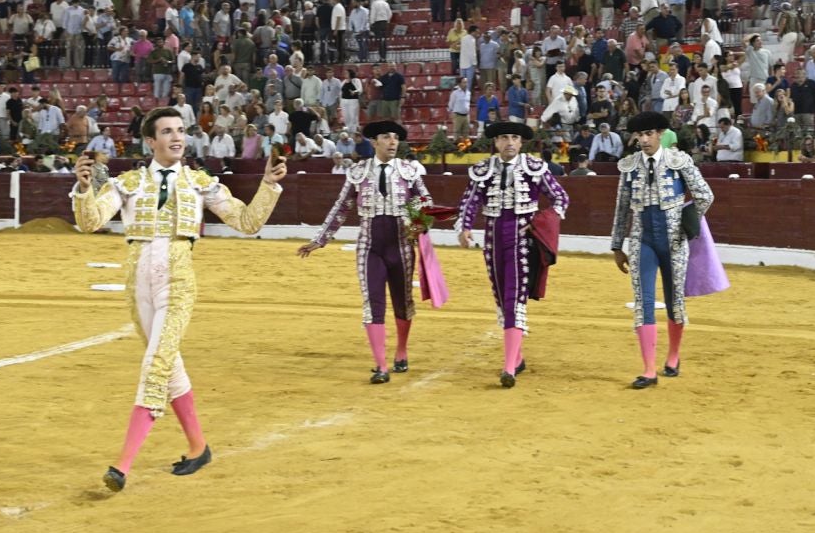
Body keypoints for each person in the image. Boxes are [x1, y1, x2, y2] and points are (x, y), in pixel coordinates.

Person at [71, 107, 287, 493]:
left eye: (181, 130)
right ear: (150, 141)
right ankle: (198, 447)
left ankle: (122, 466)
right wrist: (84, 190)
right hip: (138, 286)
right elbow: (91, 222)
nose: (177, 137)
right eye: (167, 131)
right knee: (169, 369)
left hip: (178, 282)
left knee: (156, 366)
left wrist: (269, 185)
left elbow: (248, 222)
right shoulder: (128, 182)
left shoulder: (201, 183)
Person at [297, 120, 435, 383]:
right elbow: (341, 206)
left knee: (403, 301)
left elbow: (426, 201)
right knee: (373, 303)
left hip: (402, 244)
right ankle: (381, 365)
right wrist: (320, 239)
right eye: (386, 137)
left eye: (395, 137)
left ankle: (401, 350)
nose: (393, 142)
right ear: (374, 142)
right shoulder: (358, 172)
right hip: (370, 246)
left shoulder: (409, 171)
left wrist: (418, 224)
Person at [456, 121, 570, 387]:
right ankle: (517, 359)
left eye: (514, 138)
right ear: (496, 143)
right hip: (492, 238)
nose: (509, 142)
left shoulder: (534, 168)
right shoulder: (482, 171)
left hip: (521, 238)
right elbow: (469, 202)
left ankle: (508, 367)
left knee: (513, 298)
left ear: (521, 143)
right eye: (504, 138)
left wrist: (541, 222)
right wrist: (464, 227)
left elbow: (560, 199)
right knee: (501, 296)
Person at [610, 111, 716, 388]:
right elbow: (621, 208)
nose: (643, 140)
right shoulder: (629, 166)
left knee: (674, 302)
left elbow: (705, 194)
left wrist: (688, 221)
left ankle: (673, 356)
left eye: (648, 134)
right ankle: (648, 369)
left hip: (674, 242)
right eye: (639, 135)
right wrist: (617, 246)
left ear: (659, 135)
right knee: (643, 301)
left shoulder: (679, 161)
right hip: (642, 241)